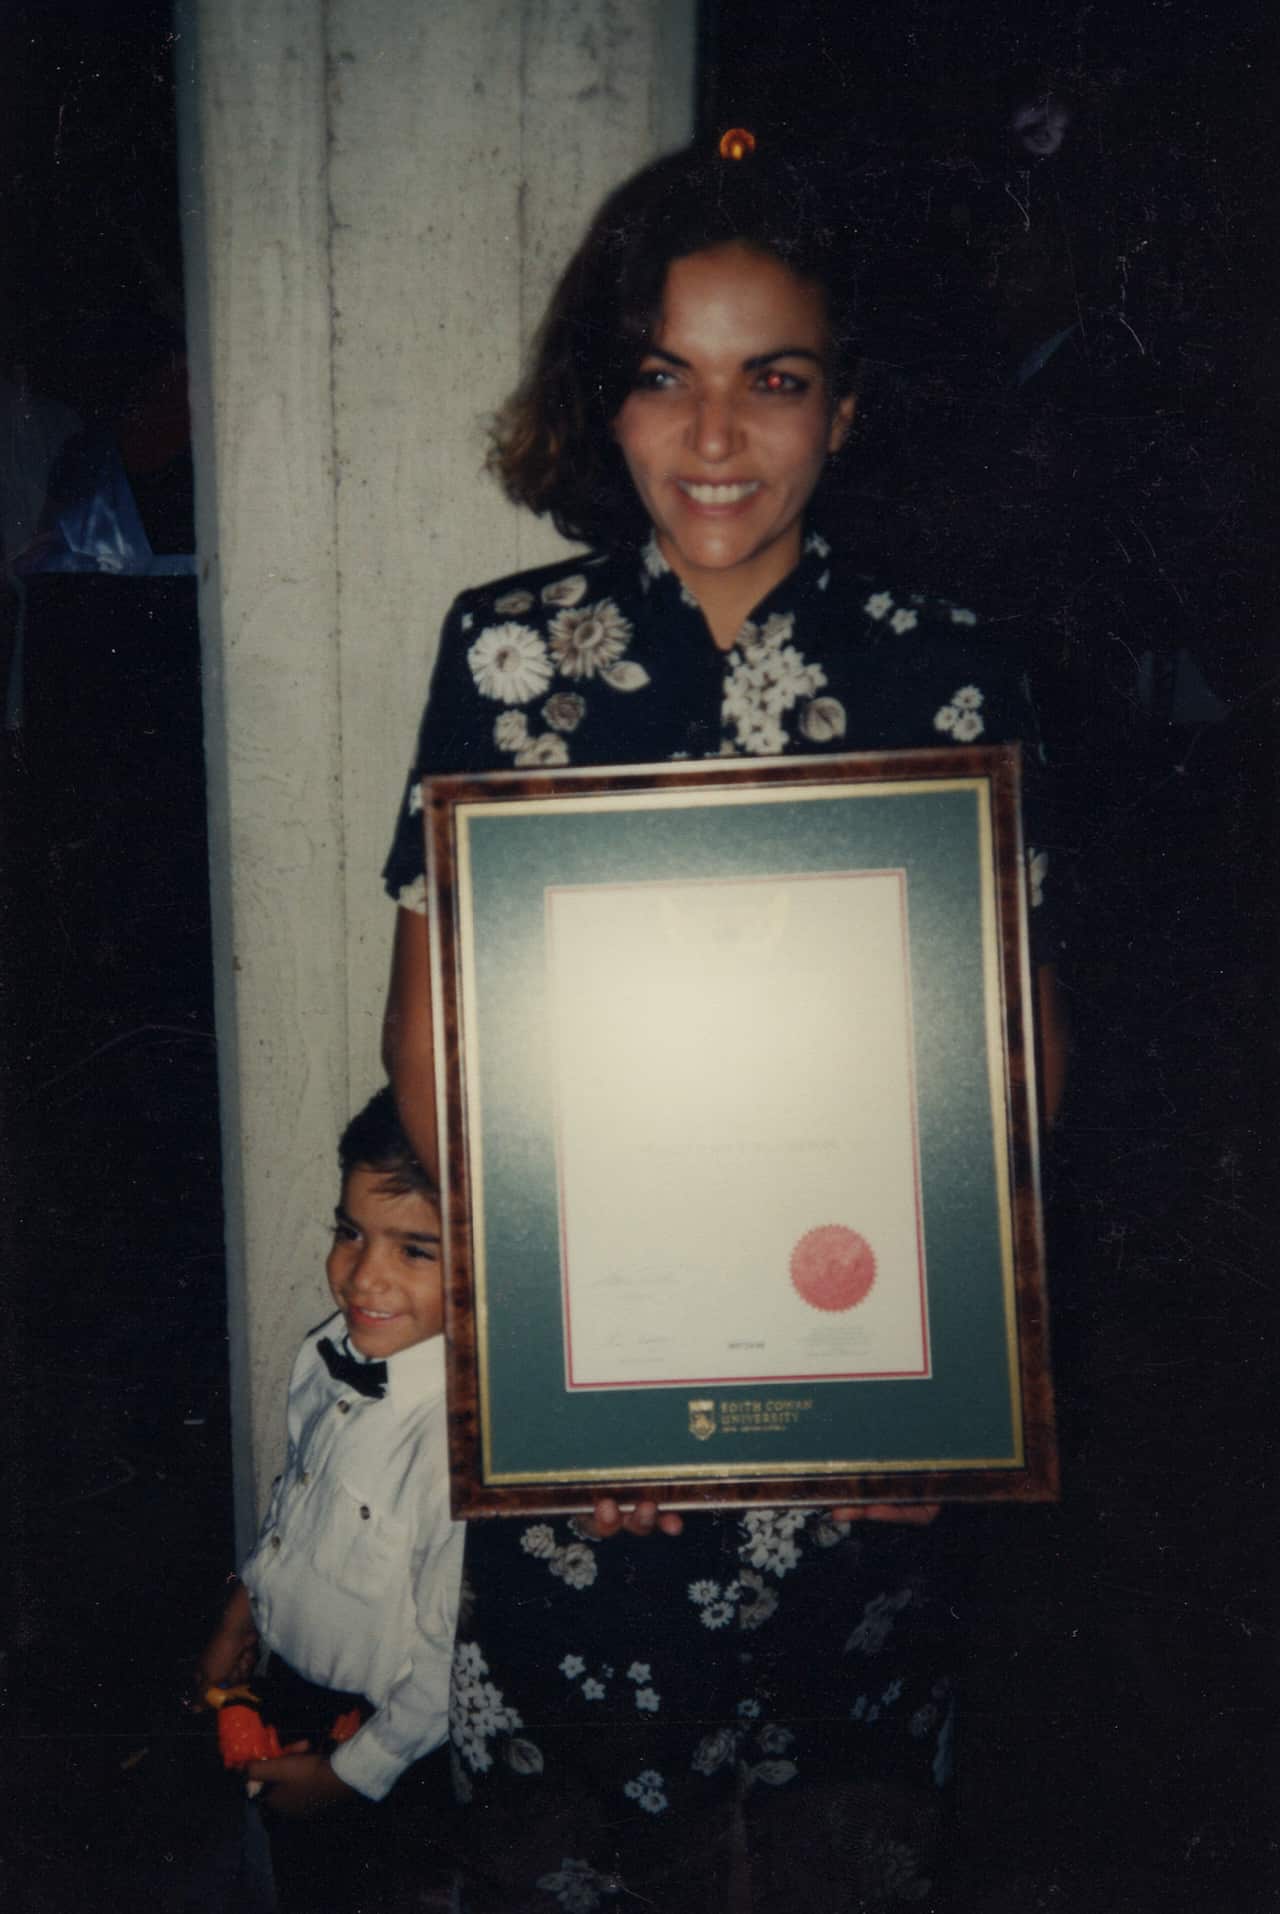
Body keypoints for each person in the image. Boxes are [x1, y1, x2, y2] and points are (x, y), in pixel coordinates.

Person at [381, 143, 1065, 1912]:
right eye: (663, 373)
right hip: (589, 1434)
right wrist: (557, 1361)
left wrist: (949, 1380)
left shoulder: (947, 661)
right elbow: (437, 1048)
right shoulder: (507, 653)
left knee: (834, 1846)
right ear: (598, 399)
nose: (713, 434)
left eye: (773, 378)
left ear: (846, 407)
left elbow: (1007, 1060)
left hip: (862, 1444)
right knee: (576, 1852)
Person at [194, 1086, 463, 1913]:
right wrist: (245, 1609)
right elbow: (296, 1503)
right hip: (292, 1689)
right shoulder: (325, 1354)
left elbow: (448, 1670)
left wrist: (349, 1779)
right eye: (350, 1232)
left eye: (414, 1249)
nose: (362, 1274)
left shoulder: (457, 1448)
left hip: (392, 1747)